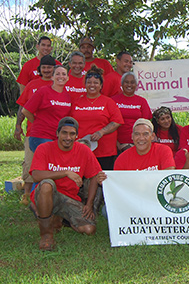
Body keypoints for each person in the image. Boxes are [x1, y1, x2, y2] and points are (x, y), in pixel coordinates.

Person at [30, 117, 102, 251]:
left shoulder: (83, 150)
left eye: (72, 134)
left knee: (89, 229)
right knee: (47, 184)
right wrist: (65, 172)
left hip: (69, 197)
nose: (68, 137)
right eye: (64, 133)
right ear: (57, 133)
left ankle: (59, 219)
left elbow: (94, 176)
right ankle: (46, 236)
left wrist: (89, 204)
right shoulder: (44, 148)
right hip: (46, 194)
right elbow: (36, 176)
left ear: (77, 136)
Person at [14, 55, 57, 204]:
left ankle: (46, 195)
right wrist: (18, 126)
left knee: (49, 165)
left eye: (49, 67)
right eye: (44, 67)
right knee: (30, 163)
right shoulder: (32, 85)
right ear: (40, 69)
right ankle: (27, 194)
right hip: (33, 132)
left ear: (54, 69)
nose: (46, 70)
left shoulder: (58, 85)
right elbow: (23, 107)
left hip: (52, 134)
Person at [70, 65, 124, 170]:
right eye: (89, 82)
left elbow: (117, 121)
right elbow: (70, 122)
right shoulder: (77, 102)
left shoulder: (108, 102)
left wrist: (101, 132)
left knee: (101, 179)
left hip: (104, 150)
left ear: (101, 85)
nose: (92, 85)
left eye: (95, 83)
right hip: (82, 147)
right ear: (85, 84)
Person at [22, 65, 72, 152]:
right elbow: (26, 110)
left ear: (67, 78)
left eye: (64, 74)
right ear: (52, 77)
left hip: (58, 138)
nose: (61, 77)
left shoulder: (67, 96)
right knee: (46, 163)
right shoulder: (43, 91)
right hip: (41, 136)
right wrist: (37, 122)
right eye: (57, 74)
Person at [112, 72, 152, 153]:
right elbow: (109, 123)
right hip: (118, 144)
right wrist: (116, 143)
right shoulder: (113, 101)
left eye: (132, 82)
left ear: (136, 85)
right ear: (122, 84)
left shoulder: (142, 101)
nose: (129, 85)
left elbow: (146, 123)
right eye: (126, 82)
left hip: (139, 143)